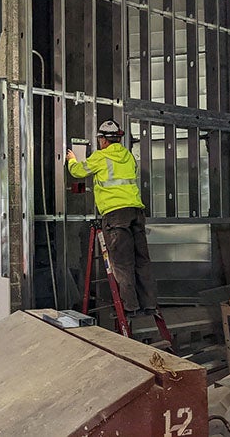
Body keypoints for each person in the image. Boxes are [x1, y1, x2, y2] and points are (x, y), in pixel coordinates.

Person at [66, 119, 157, 316]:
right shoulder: (128, 156)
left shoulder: (101, 157)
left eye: (99, 139)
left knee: (122, 264)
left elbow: (78, 171)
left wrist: (72, 159)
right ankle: (149, 305)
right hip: (136, 212)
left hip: (116, 215)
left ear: (103, 140)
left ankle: (130, 307)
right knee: (142, 261)